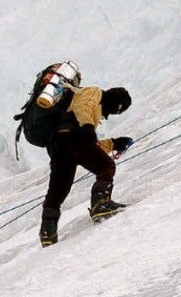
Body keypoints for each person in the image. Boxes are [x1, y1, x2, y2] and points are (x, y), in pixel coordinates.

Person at [39, 86, 133, 247]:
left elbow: (89, 147)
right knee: (106, 165)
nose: (109, 115)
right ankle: (100, 204)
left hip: (57, 143)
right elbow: (81, 108)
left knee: (58, 189)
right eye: (116, 111)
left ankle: (48, 231)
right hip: (72, 136)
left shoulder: (84, 111)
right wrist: (88, 128)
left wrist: (113, 143)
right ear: (115, 102)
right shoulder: (95, 93)